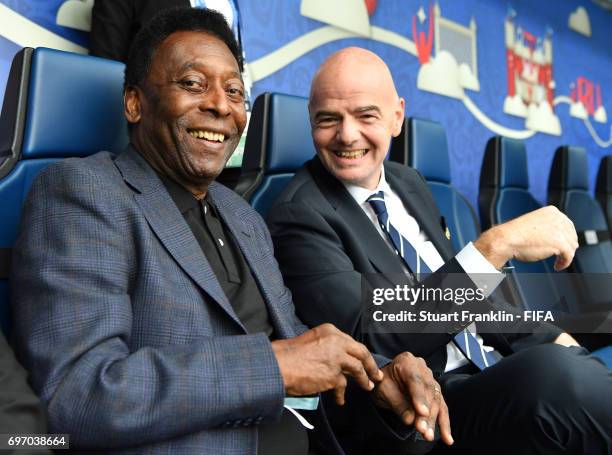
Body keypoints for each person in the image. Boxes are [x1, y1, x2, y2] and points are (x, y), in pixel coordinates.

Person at [11, 9, 452, 454]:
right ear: (134, 102)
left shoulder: (244, 216)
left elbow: (302, 345)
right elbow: (77, 397)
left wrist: (380, 375)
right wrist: (490, 253)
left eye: (235, 91)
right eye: (193, 84)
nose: (221, 105)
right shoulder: (84, 192)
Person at [267, 47, 612, 454]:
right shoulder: (298, 213)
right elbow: (373, 333)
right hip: (430, 406)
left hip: (493, 368)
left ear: (397, 117)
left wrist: (552, 336)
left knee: (569, 365)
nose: (346, 135)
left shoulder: (407, 182)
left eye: (365, 116)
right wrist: (494, 246)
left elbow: (473, 305)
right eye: (328, 119)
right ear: (311, 123)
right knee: (557, 377)